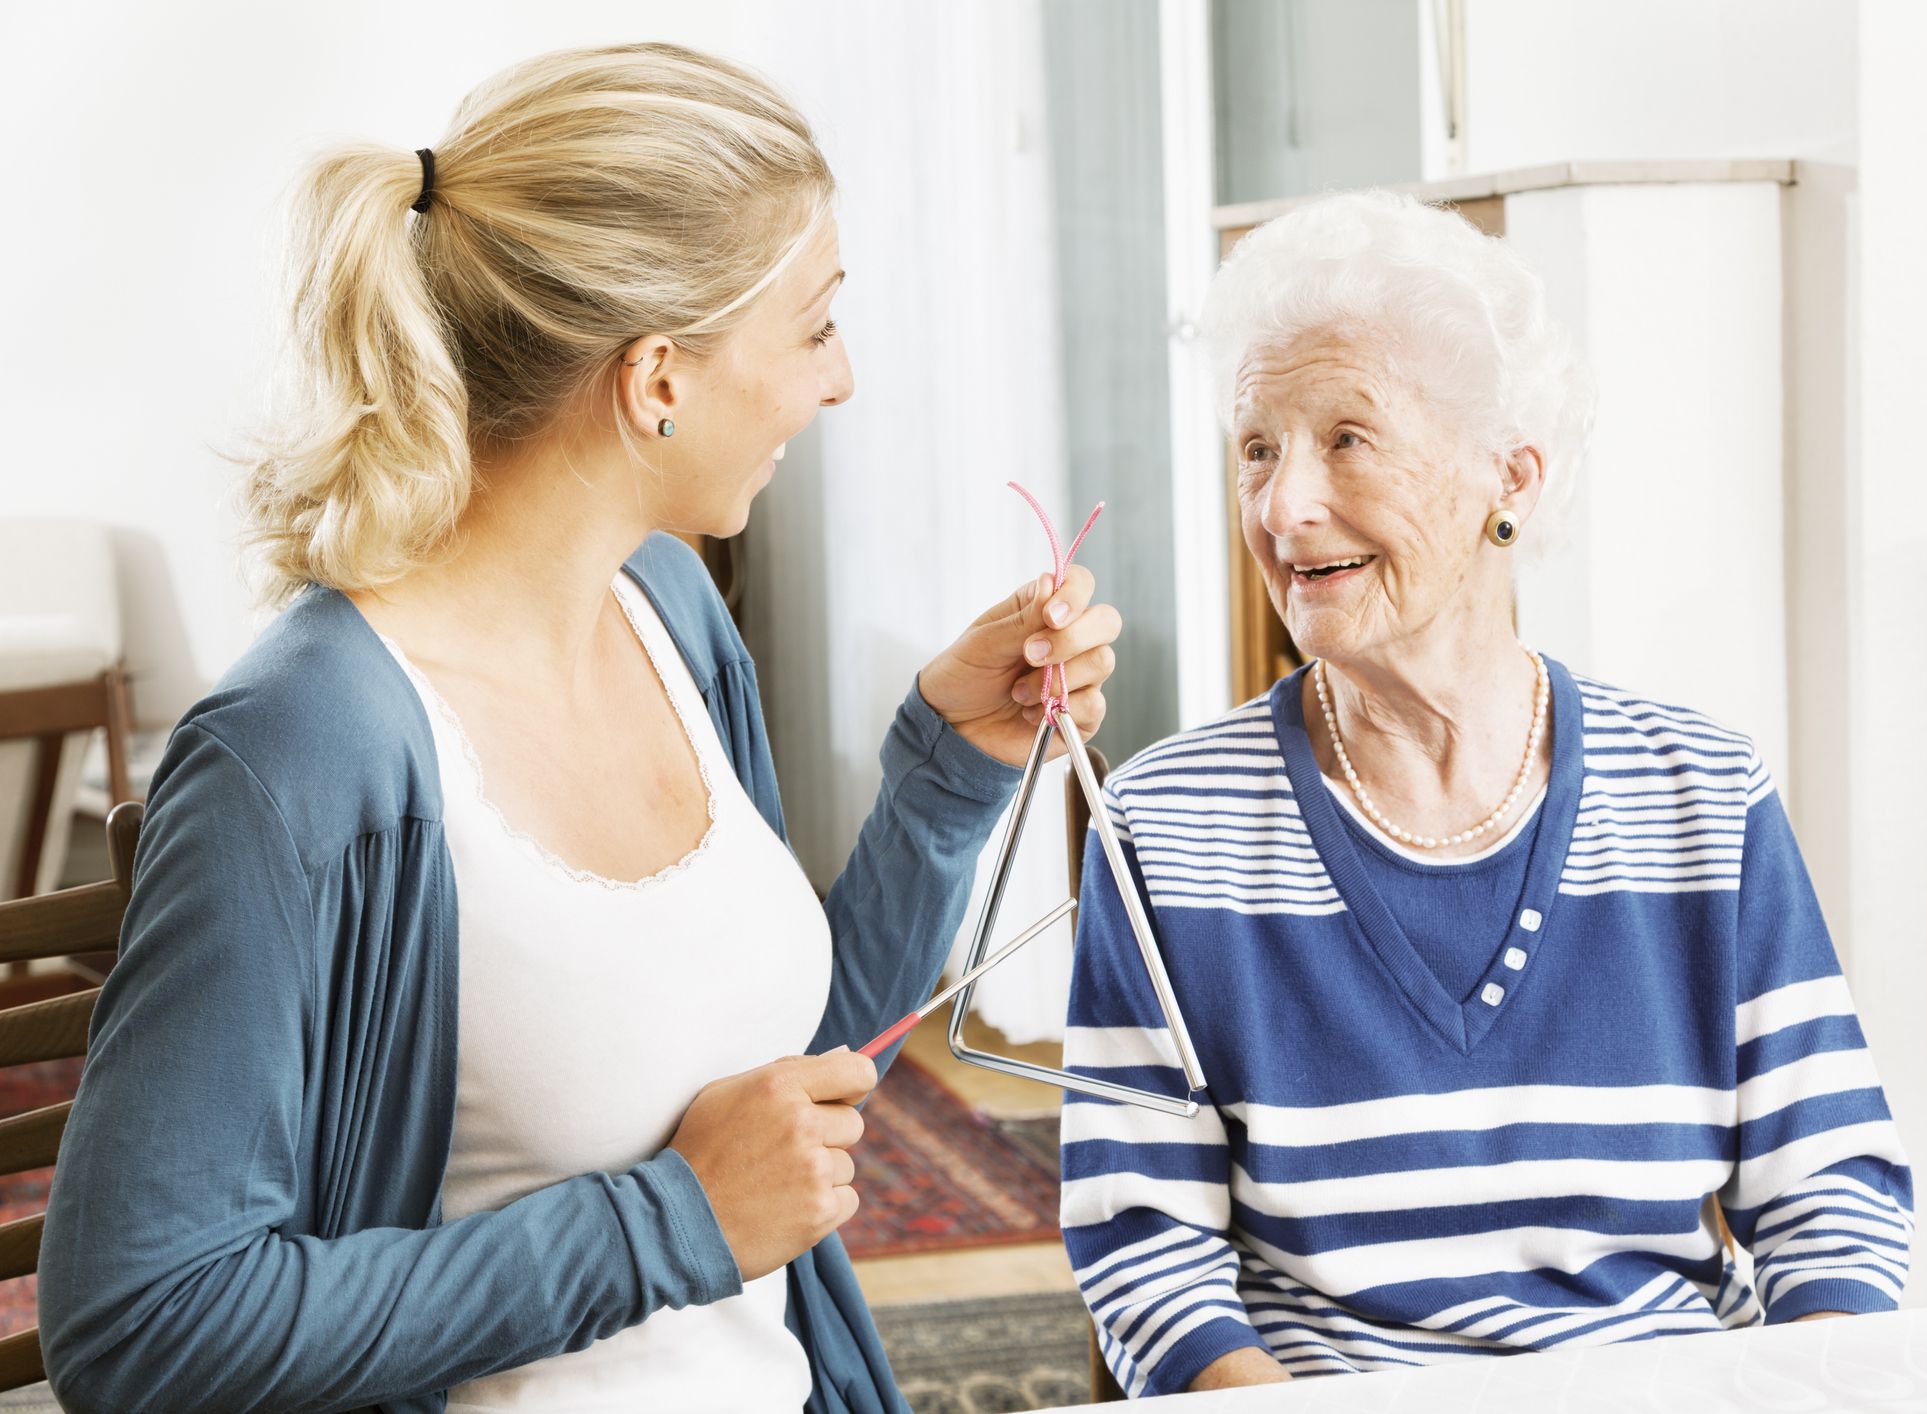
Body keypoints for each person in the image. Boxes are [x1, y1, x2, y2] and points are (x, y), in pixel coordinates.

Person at [39, 42, 1122, 1414]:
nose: (840, 379)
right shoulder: (300, 752)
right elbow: (140, 1323)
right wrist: (670, 1221)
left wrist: (954, 765)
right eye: (815, 327)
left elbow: (786, 1100)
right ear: (657, 377)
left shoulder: (671, 607)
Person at [1059, 189, 1912, 1396]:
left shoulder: (1700, 796)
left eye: (1347, 438)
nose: (1283, 507)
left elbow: (1830, 1187)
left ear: (1509, 476)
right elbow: (1144, 1247)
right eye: (1258, 448)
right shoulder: (1167, 825)